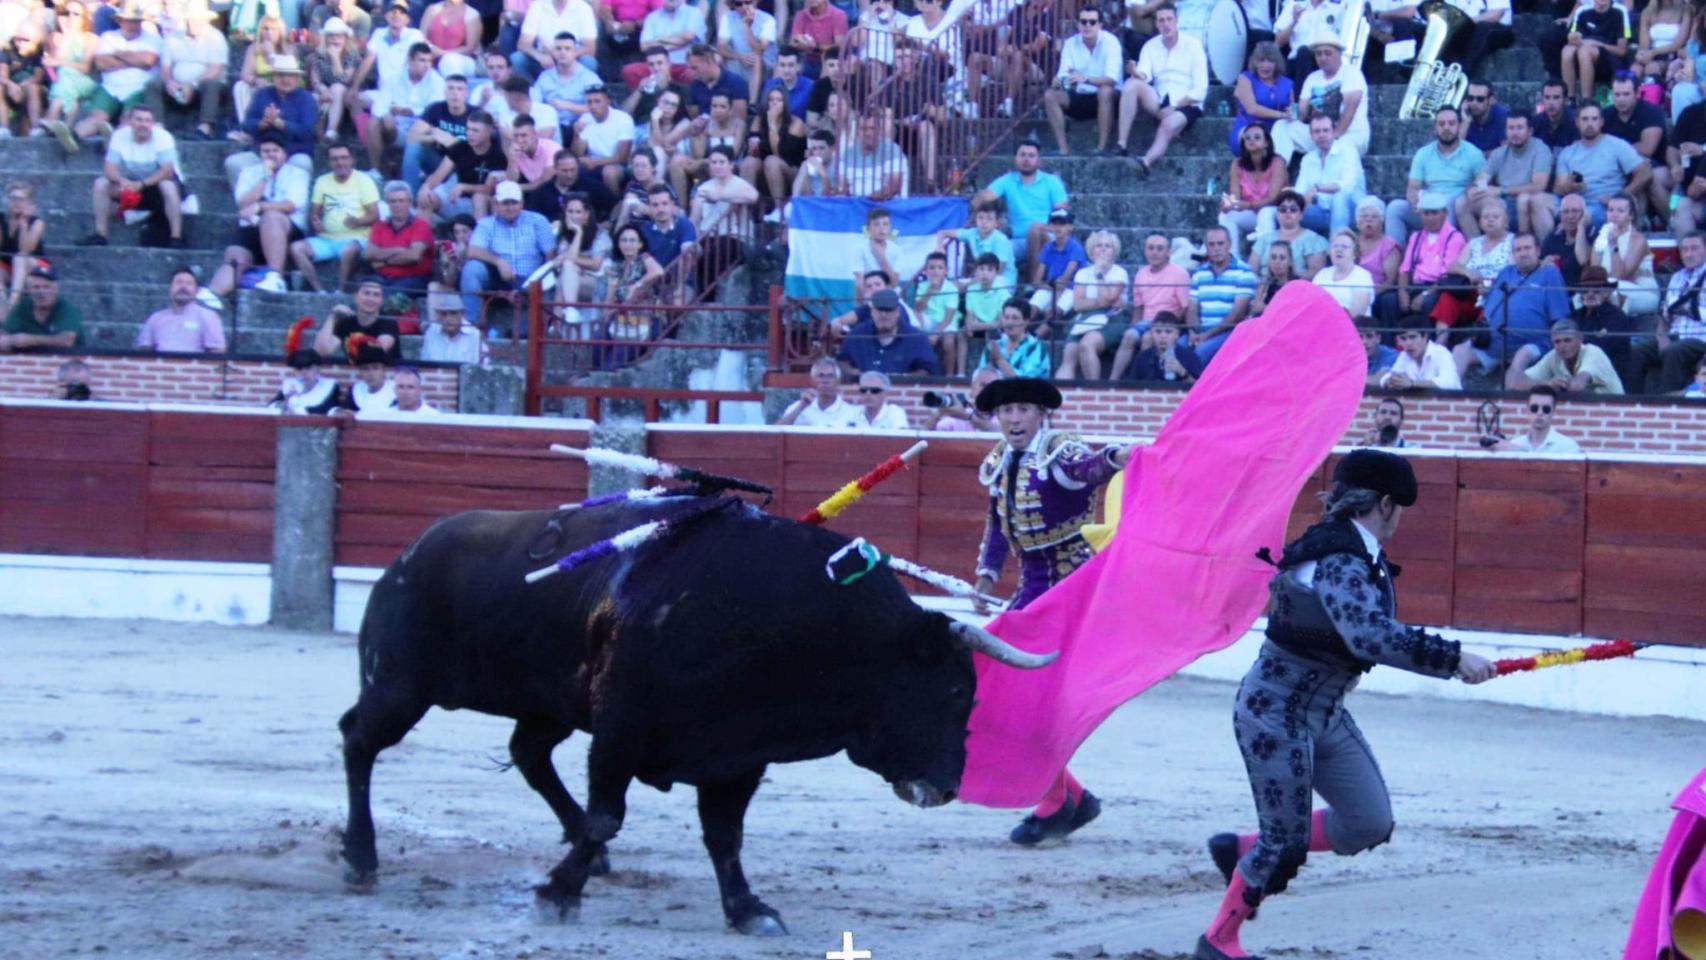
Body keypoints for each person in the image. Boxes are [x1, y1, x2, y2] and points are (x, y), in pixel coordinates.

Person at [1197, 450, 1497, 959]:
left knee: (1368, 821)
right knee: (1283, 843)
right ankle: (1219, 940)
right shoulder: (1339, 558)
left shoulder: (1349, 550)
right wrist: (1452, 658)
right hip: (1275, 715)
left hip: (1325, 712)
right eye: (1399, 508)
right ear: (1385, 505)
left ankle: (1236, 850)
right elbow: (1369, 636)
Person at [971, 376, 1132, 846]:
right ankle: (1067, 796)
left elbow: (1087, 469)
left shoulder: (1059, 453)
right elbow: (997, 523)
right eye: (1006, 411)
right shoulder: (999, 460)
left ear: (1042, 414)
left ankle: (1061, 799)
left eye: (1023, 409)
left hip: (1073, 590)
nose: (1013, 419)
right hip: (1032, 590)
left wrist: (1116, 458)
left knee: (1030, 701)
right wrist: (986, 574)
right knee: (1004, 694)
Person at [207, 134, 311, 298]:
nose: (270, 155)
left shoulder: (297, 174)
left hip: (287, 229)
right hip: (254, 227)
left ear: (284, 154)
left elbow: (290, 205)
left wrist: (259, 207)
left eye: (275, 151)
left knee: (271, 217)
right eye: (266, 151)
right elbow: (242, 203)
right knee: (235, 255)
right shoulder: (249, 173)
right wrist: (265, 178)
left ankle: (276, 277)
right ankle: (213, 295)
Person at [1462, 232, 1570, 386]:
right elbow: (1490, 306)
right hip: (1495, 342)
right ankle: (1447, 399)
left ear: (1538, 250)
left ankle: (1509, 397)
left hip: (1534, 343)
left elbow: (1560, 316)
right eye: (1518, 250)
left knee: (1521, 356)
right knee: (1460, 351)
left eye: (1527, 248)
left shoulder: (1549, 273)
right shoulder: (1506, 273)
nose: (1523, 253)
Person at [1116, 4, 1206, 173]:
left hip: (1187, 103)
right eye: (1161, 20)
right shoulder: (1150, 46)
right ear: (1156, 24)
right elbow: (1144, 76)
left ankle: (1146, 161)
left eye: (1169, 19)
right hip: (1160, 99)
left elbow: (1201, 89)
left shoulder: (1193, 45)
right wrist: (1134, 71)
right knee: (1131, 84)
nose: (1166, 24)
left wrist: (1176, 107)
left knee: (1167, 124)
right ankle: (1122, 145)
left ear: (1177, 21)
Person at [82, 102, 183, 248]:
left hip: (158, 187)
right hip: (133, 186)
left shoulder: (163, 137)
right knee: (101, 184)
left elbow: (167, 171)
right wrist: (122, 181)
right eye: (139, 120)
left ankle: (176, 238)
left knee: (167, 186)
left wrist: (141, 184)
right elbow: (109, 168)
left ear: (152, 123)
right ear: (130, 121)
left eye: (147, 120)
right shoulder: (119, 136)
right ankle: (100, 234)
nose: (143, 124)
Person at [460, 180, 556, 333]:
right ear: (496, 204)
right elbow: (473, 250)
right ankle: (472, 325)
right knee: (472, 269)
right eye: (505, 203)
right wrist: (499, 261)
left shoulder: (538, 221)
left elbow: (551, 256)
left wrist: (537, 281)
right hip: (499, 279)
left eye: (514, 202)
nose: (510, 207)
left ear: (522, 203)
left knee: (551, 279)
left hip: (531, 280)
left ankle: (541, 328)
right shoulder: (487, 224)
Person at [1386, 106, 1486, 244]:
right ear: (1435, 127)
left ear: (1459, 126)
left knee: (1445, 206)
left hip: (1456, 206)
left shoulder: (1473, 153)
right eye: (1441, 124)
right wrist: (1414, 201)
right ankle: (1393, 254)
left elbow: (1481, 184)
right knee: (1395, 208)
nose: (1446, 128)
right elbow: (1413, 187)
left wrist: (1469, 192)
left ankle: (1443, 254)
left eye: (1451, 123)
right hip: (1428, 204)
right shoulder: (1423, 154)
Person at [290, 143, 381, 292]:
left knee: (348, 250)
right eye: (335, 159)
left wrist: (358, 221)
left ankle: (340, 290)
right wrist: (316, 221)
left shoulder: (364, 180)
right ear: (329, 162)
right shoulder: (322, 181)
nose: (340, 162)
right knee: (296, 248)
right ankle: (319, 291)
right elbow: (314, 213)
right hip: (327, 239)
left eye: (344, 158)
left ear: (352, 160)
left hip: (356, 238)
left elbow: (375, 215)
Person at [74, 0, 164, 144]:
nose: (132, 25)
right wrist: (134, 59)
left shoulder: (153, 39)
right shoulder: (108, 37)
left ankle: (114, 143)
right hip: (109, 87)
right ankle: (73, 138)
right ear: (120, 21)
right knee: (96, 117)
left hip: (138, 88)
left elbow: (148, 61)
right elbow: (101, 63)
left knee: (128, 119)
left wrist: (117, 53)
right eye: (128, 21)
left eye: (136, 21)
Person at [1627, 230, 1706, 393]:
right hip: (1673, 335)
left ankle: (1667, 402)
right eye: (1685, 249)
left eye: (1694, 248)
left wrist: (1689, 311)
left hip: (1700, 338)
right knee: (1635, 351)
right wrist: (1662, 338)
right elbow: (1664, 315)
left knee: (1674, 351)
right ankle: (1633, 401)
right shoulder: (1677, 277)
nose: (1689, 254)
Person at [1109, 231, 1193, 380]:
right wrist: (1133, 326)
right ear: (1145, 250)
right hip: (1145, 322)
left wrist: (1171, 326)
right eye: (1151, 248)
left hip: (1166, 323)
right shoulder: (1141, 274)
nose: (1154, 252)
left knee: (1148, 338)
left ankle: (1143, 381)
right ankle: (1112, 381)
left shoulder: (1180, 274)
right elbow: (1138, 307)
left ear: (1168, 252)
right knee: (1129, 336)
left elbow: (1184, 307)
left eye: (1160, 248)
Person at [1272, 37, 1368, 166]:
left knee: (1336, 150)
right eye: (1319, 54)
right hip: (1320, 134)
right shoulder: (1312, 78)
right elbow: (1301, 112)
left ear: (1339, 54)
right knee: (1282, 126)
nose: (1323, 58)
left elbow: (1349, 111)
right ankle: (1278, 171)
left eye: (1327, 53)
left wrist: (1334, 136)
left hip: (1349, 136)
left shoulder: (1352, 73)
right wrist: (1292, 112)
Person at [1553, 102, 1650, 230]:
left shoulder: (1617, 145)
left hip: (1603, 206)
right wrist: (1568, 186)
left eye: (1594, 119)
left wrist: (1620, 197)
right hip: (1573, 203)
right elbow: (1558, 188)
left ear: (1601, 122)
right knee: (1539, 201)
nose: (1589, 124)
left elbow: (1645, 173)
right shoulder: (1567, 152)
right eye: (1585, 119)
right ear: (1577, 122)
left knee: (1581, 215)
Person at [1377, 192, 1465, 329]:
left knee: (1429, 302)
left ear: (1445, 213)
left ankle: (1429, 341)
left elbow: (1447, 276)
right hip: (1415, 285)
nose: (1429, 218)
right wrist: (1402, 293)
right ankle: (1393, 340)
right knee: (1388, 301)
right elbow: (1404, 270)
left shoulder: (1454, 238)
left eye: (1434, 213)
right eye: (1426, 213)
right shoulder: (1416, 236)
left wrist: (1424, 294)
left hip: (1437, 289)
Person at [1462, 111, 1555, 241]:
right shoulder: (1499, 153)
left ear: (1530, 131)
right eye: (1511, 128)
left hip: (1527, 201)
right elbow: (1482, 180)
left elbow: (1539, 186)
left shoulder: (1540, 150)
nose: (1515, 133)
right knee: (1462, 202)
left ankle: (1530, 246)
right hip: (1503, 202)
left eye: (1519, 128)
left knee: (1523, 200)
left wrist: (1502, 190)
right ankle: (1477, 247)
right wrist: (1474, 189)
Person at [975, 141, 1069, 267]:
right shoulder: (1007, 180)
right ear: (1016, 159)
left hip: (1046, 237)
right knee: (994, 247)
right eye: (1022, 155)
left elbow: (1062, 212)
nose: (1026, 159)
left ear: (1039, 161)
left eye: (1031, 156)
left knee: (1035, 230)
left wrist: (1047, 228)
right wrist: (992, 216)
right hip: (1018, 240)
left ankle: (1034, 278)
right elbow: (978, 201)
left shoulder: (1051, 181)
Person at [1044, 4, 1122, 157]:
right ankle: (1063, 149)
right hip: (1080, 94)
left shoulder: (1111, 42)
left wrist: (1085, 79)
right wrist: (1058, 82)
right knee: (1050, 95)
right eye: (1083, 21)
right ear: (1078, 24)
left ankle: (1101, 148)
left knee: (1105, 91)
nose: (1087, 26)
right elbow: (1064, 76)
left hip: (1109, 98)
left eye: (1092, 22)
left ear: (1100, 25)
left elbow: (1112, 79)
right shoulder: (1070, 43)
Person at [1057, 232, 1131, 380]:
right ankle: (1060, 392)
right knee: (1070, 353)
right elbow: (1078, 305)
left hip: (1112, 318)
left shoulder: (1119, 273)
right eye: (1099, 245)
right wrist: (1100, 302)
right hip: (1086, 318)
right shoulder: (1082, 273)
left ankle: (1095, 389)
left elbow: (1107, 301)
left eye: (1108, 246)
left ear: (1114, 252)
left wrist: (1099, 274)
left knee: (1087, 344)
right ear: (1091, 250)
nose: (1103, 249)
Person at [363, 43, 446, 174]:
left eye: (429, 61)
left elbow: (434, 110)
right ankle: (376, 172)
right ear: (410, 60)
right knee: (373, 122)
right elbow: (379, 105)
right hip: (396, 127)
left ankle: (420, 168)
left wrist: (412, 112)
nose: (427, 65)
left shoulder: (437, 81)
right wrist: (385, 115)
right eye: (422, 60)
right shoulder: (393, 78)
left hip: (422, 128)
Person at [1188, 225, 1258, 364]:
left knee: (1199, 353)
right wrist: (1192, 332)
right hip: (1202, 330)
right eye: (1211, 244)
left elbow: (1237, 313)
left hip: (1229, 331)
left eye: (1220, 243)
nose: (1216, 248)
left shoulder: (1244, 272)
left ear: (1229, 245)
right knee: (1174, 347)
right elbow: (1192, 309)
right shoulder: (1199, 273)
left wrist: (1206, 336)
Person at [420, 109, 505, 221]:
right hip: (457, 198)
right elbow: (439, 174)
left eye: (475, 130)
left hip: (483, 203)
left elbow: (490, 189)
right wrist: (426, 187)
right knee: (426, 198)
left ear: (488, 132)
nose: (470, 134)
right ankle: (421, 232)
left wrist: (465, 187)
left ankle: (481, 232)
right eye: (468, 129)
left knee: (478, 198)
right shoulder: (460, 147)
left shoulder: (498, 153)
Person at [1219, 124, 1289, 257]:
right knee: (1226, 215)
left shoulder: (1277, 162)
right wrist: (1229, 204)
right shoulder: (1237, 164)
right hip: (1252, 213)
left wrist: (1248, 205)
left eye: (1257, 137)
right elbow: (1235, 197)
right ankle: (1233, 258)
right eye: (1247, 138)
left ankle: (1267, 259)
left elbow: (1273, 199)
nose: (1251, 140)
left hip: (1276, 212)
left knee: (1265, 213)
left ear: (1266, 142)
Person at [835, 287, 940, 376]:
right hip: (864, 391)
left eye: (889, 310)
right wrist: (854, 374)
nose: (884, 315)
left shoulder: (916, 338)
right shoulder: (857, 335)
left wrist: (904, 378)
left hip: (902, 391)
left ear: (898, 312)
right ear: (872, 312)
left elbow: (929, 369)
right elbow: (842, 361)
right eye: (880, 310)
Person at [1292, 113, 1365, 236]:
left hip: (1352, 213)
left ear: (1333, 132)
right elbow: (1300, 191)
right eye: (1317, 131)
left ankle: (1337, 244)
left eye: (1325, 130)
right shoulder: (1308, 159)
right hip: (1322, 212)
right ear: (1311, 135)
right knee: (1280, 211)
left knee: (1340, 197)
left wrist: (1318, 188)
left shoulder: (1348, 152)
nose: (1321, 135)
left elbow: (1348, 186)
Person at [161, 5, 226, 142]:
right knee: (152, 85)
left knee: (211, 84)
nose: (193, 24)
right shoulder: (173, 37)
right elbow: (165, 65)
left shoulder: (216, 37)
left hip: (203, 84)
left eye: (197, 21)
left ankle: (205, 127)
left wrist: (193, 84)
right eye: (190, 20)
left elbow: (216, 68)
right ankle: (157, 126)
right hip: (177, 85)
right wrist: (169, 81)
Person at [1514, 317, 1624, 394]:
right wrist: (1548, 384)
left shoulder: (1593, 352)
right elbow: (1517, 383)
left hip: (1616, 413)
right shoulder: (1554, 355)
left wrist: (1554, 385)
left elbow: (1577, 386)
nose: (1562, 346)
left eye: (1567, 340)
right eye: (1557, 342)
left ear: (1580, 339)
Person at [364, 180, 437, 295]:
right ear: (387, 203)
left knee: (385, 295)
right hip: (382, 277)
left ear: (410, 203)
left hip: (413, 279)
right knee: (362, 289)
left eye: (401, 201)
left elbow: (413, 256)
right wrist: (399, 250)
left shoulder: (421, 226)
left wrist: (384, 261)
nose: (397, 205)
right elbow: (369, 254)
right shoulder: (379, 226)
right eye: (392, 201)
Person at [1228, 42, 1293, 158]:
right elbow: (1252, 109)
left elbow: (1293, 110)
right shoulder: (1245, 78)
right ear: (1255, 62)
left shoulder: (1287, 83)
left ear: (1277, 63)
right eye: (1261, 61)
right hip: (1249, 125)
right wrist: (1282, 115)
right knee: (1255, 140)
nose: (1265, 65)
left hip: (1277, 129)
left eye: (1270, 61)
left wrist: (1291, 113)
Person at [137, 267, 225, 352]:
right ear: (170, 289)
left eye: (189, 283)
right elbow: (145, 351)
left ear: (196, 291)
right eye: (178, 282)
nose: (183, 287)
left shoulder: (208, 317)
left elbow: (217, 351)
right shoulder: (155, 318)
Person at [0, 266, 83, 353]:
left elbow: (67, 340)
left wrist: (30, 339)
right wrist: (8, 340)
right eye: (36, 287)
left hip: (70, 358)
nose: (41, 292)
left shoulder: (67, 308)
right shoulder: (23, 305)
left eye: (47, 287)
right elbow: (5, 332)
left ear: (56, 289)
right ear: (28, 290)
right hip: (29, 358)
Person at [573, 84, 635, 197]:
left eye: (597, 101)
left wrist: (595, 162)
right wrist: (577, 134)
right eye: (589, 102)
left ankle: (615, 204)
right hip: (593, 163)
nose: (593, 106)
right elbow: (577, 154)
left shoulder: (623, 119)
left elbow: (622, 157)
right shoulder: (585, 119)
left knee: (609, 172)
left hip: (618, 165)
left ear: (608, 101)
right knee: (571, 169)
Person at [315, 280, 402, 361]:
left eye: (376, 295)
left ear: (382, 300)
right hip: (354, 370)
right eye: (366, 293)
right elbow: (321, 351)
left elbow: (374, 353)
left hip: (387, 371)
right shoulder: (346, 321)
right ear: (356, 297)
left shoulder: (388, 322)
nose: (370, 299)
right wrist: (332, 317)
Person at [1561, 0, 1630, 101]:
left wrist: (1597, 44)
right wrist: (1572, 38)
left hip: (1609, 57)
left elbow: (1622, 51)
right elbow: (1573, 36)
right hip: (1583, 52)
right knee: (1567, 50)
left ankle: (1586, 100)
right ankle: (1570, 98)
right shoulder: (1582, 11)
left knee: (1584, 52)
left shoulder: (1620, 11)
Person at [1250, 189, 1328, 277]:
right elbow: (1251, 271)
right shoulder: (1264, 239)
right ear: (1277, 214)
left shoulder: (1314, 240)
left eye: (1293, 209)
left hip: (1297, 284)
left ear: (1301, 215)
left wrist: (1286, 281)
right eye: (1283, 209)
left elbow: (1316, 274)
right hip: (1264, 284)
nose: (1288, 212)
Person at [1484, 385, 1582, 452]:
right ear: (1527, 410)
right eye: (1534, 408)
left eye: (1546, 409)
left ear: (1553, 412)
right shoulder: (1515, 443)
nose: (1540, 413)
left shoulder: (1568, 447)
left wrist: (1522, 452)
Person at [1029, 209, 1086, 322]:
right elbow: (1036, 281)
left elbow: (1065, 280)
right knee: (1030, 309)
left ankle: (1038, 333)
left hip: (1072, 289)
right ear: (1050, 226)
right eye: (1054, 224)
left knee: (1053, 312)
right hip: (1051, 286)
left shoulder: (1075, 248)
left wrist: (1051, 288)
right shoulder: (1048, 247)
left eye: (1062, 224)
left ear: (1070, 227)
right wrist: (1050, 287)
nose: (1058, 227)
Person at [776, 355, 859, 426]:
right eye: (821, 376)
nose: (825, 380)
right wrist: (801, 406)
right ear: (812, 380)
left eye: (830, 376)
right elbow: (776, 432)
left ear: (838, 381)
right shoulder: (799, 407)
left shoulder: (851, 412)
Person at [1379, 319, 1463, 389]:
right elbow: (1387, 377)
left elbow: (1449, 383)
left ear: (1425, 337)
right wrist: (1390, 381)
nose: (1408, 343)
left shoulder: (1441, 352)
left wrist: (1412, 383)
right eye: (1403, 339)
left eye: (1412, 337)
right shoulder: (1404, 355)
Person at [981, 298, 1051, 380]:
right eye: (1006, 317)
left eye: (1015, 318)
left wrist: (999, 360)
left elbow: (1023, 383)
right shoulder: (993, 346)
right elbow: (980, 377)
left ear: (1026, 321)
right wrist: (990, 364)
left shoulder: (1035, 349)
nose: (1009, 323)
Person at [1125, 310, 1202, 384]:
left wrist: (1183, 372)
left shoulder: (1189, 357)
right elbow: (1132, 387)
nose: (1163, 336)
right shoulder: (1142, 357)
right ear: (1152, 333)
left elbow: (1201, 387)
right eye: (1158, 331)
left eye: (1168, 332)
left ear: (1177, 334)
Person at [1313, 230, 1375, 317]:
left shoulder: (1362, 276)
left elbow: (1357, 315)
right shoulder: (1322, 274)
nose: (1339, 250)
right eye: (1335, 246)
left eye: (1345, 247)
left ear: (1354, 254)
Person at [269, 348, 349, 415]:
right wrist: (284, 403)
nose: (303, 373)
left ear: (318, 368)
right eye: (299, 369)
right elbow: (273, 405)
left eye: (308, 368)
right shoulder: (290, 385)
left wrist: (297, 411)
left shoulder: (329, 386)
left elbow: (329, 411)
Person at [420, 289, 486, 364]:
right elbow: (424, 364)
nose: (448, 318)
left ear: (462, 314)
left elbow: (483, 366)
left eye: (453, 313)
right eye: (444, 314)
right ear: (438, 316)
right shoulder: (431, 332)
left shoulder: (475, 335)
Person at [846, 369, 911, 429]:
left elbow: (902, 435)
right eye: (864, 390)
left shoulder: (894, 413)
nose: (868, 394)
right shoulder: (852, 413)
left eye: (874, 390)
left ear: (885, 393)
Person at [1532, 79, 1579, 152]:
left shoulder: (1576, 122)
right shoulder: (1535, 123)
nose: (1551, 102)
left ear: (1565, 100)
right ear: (1542, 99)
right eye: (1547, 97)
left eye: (1556, 97)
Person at [1360, 318, 1400, 387]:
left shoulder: (1391, 356)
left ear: (1378, 338)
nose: (1364, 342)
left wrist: (1351, 379)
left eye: (1369, 336)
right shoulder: (1347, 356)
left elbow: (1379, 379)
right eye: (1360, 337)